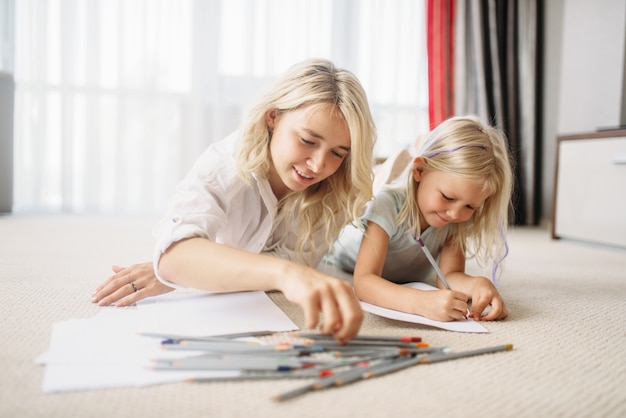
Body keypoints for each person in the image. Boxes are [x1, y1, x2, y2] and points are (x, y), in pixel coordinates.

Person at [92, 59, 377, 342]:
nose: (317, 165)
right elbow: (172, 258)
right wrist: (284, 274)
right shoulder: (223, 165)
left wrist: (204, 267)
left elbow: (295, 257)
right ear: (273, 117)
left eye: (337, 153)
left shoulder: (338, 186)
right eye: (307, 140)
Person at [331, 115, 513, 322]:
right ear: (419, 171)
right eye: (447, 197)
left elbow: (449, 277)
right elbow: (364, 282)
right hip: (342, 253)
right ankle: (385, 171)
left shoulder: (457, 220)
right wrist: (420, 302)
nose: (455, 214)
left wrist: (478, 284)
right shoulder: (387, 205)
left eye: (470, 206)